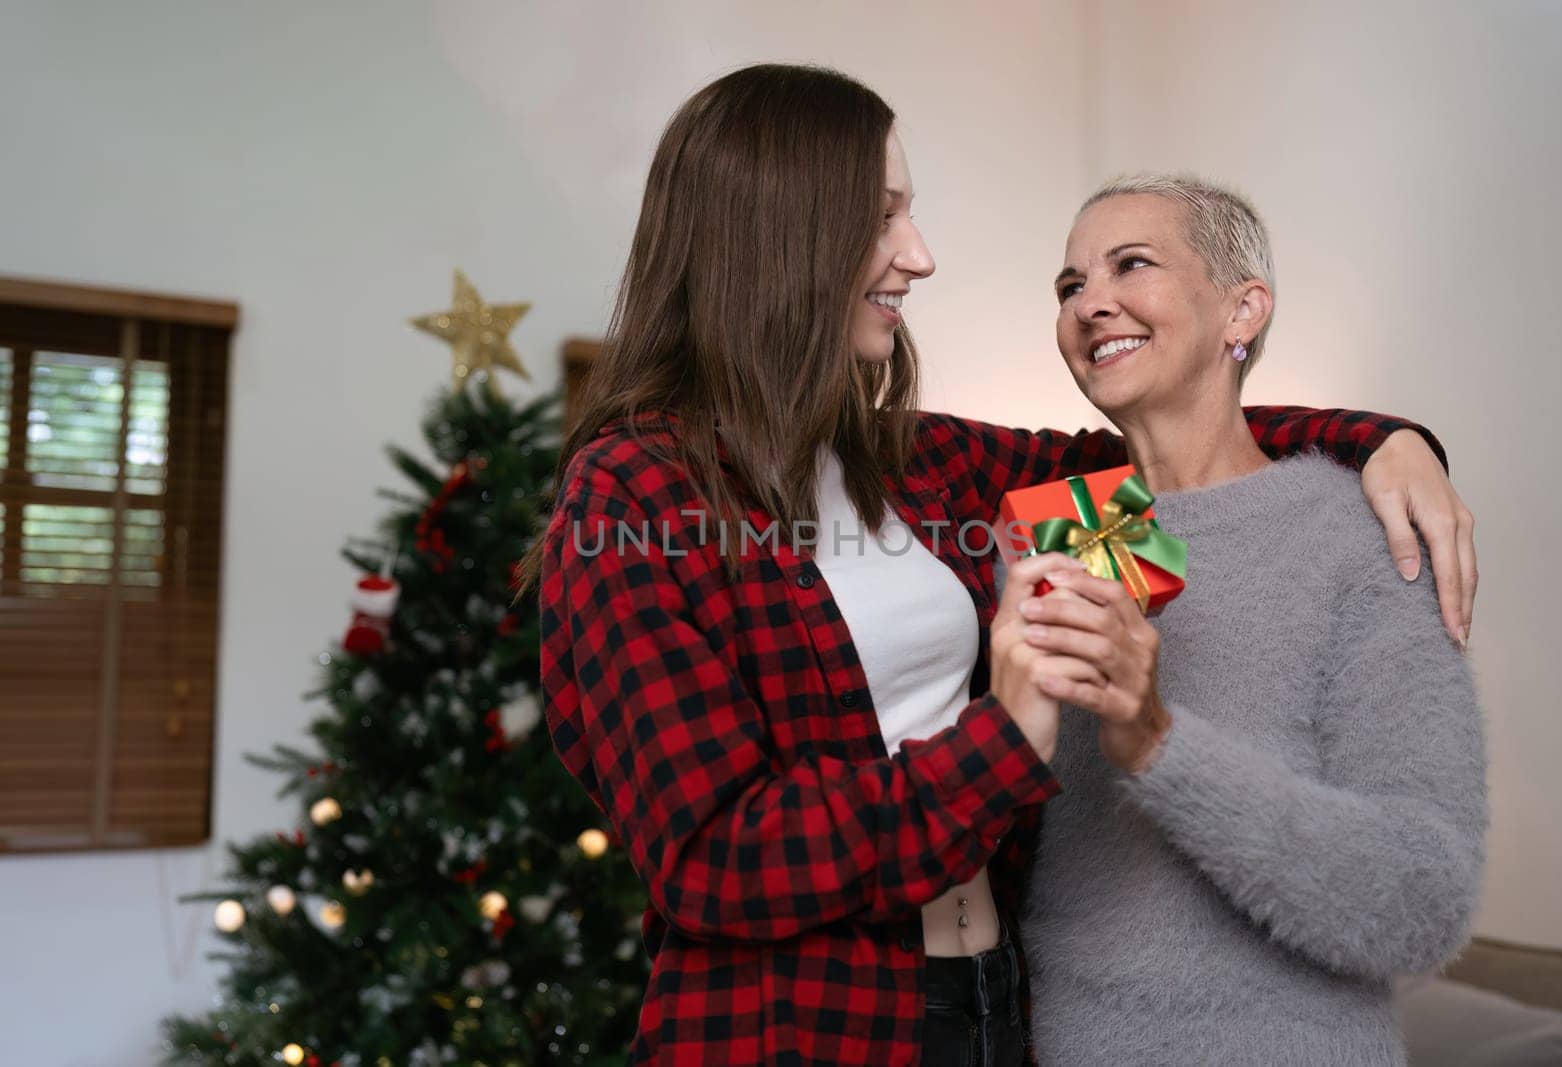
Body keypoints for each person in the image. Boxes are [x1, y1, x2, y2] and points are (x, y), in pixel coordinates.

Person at [530, 65, 1477, 1067]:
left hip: (1000, 1012)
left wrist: (1379, 439)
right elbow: (718, 860)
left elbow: (1162, 454)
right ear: (782, 228)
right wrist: (1007, 736)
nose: (919, 256)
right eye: (884, 214)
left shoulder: (918, 460)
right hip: (804, 1030)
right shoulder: (633, 496)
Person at [1016, 174, 1486, 1065]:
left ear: (1243, 312)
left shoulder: (1358, 533)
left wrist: (1157, 742)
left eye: (1132, 265)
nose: (1089, 304)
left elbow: (1423, 901)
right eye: (1069, 285)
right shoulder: (1076, 525)